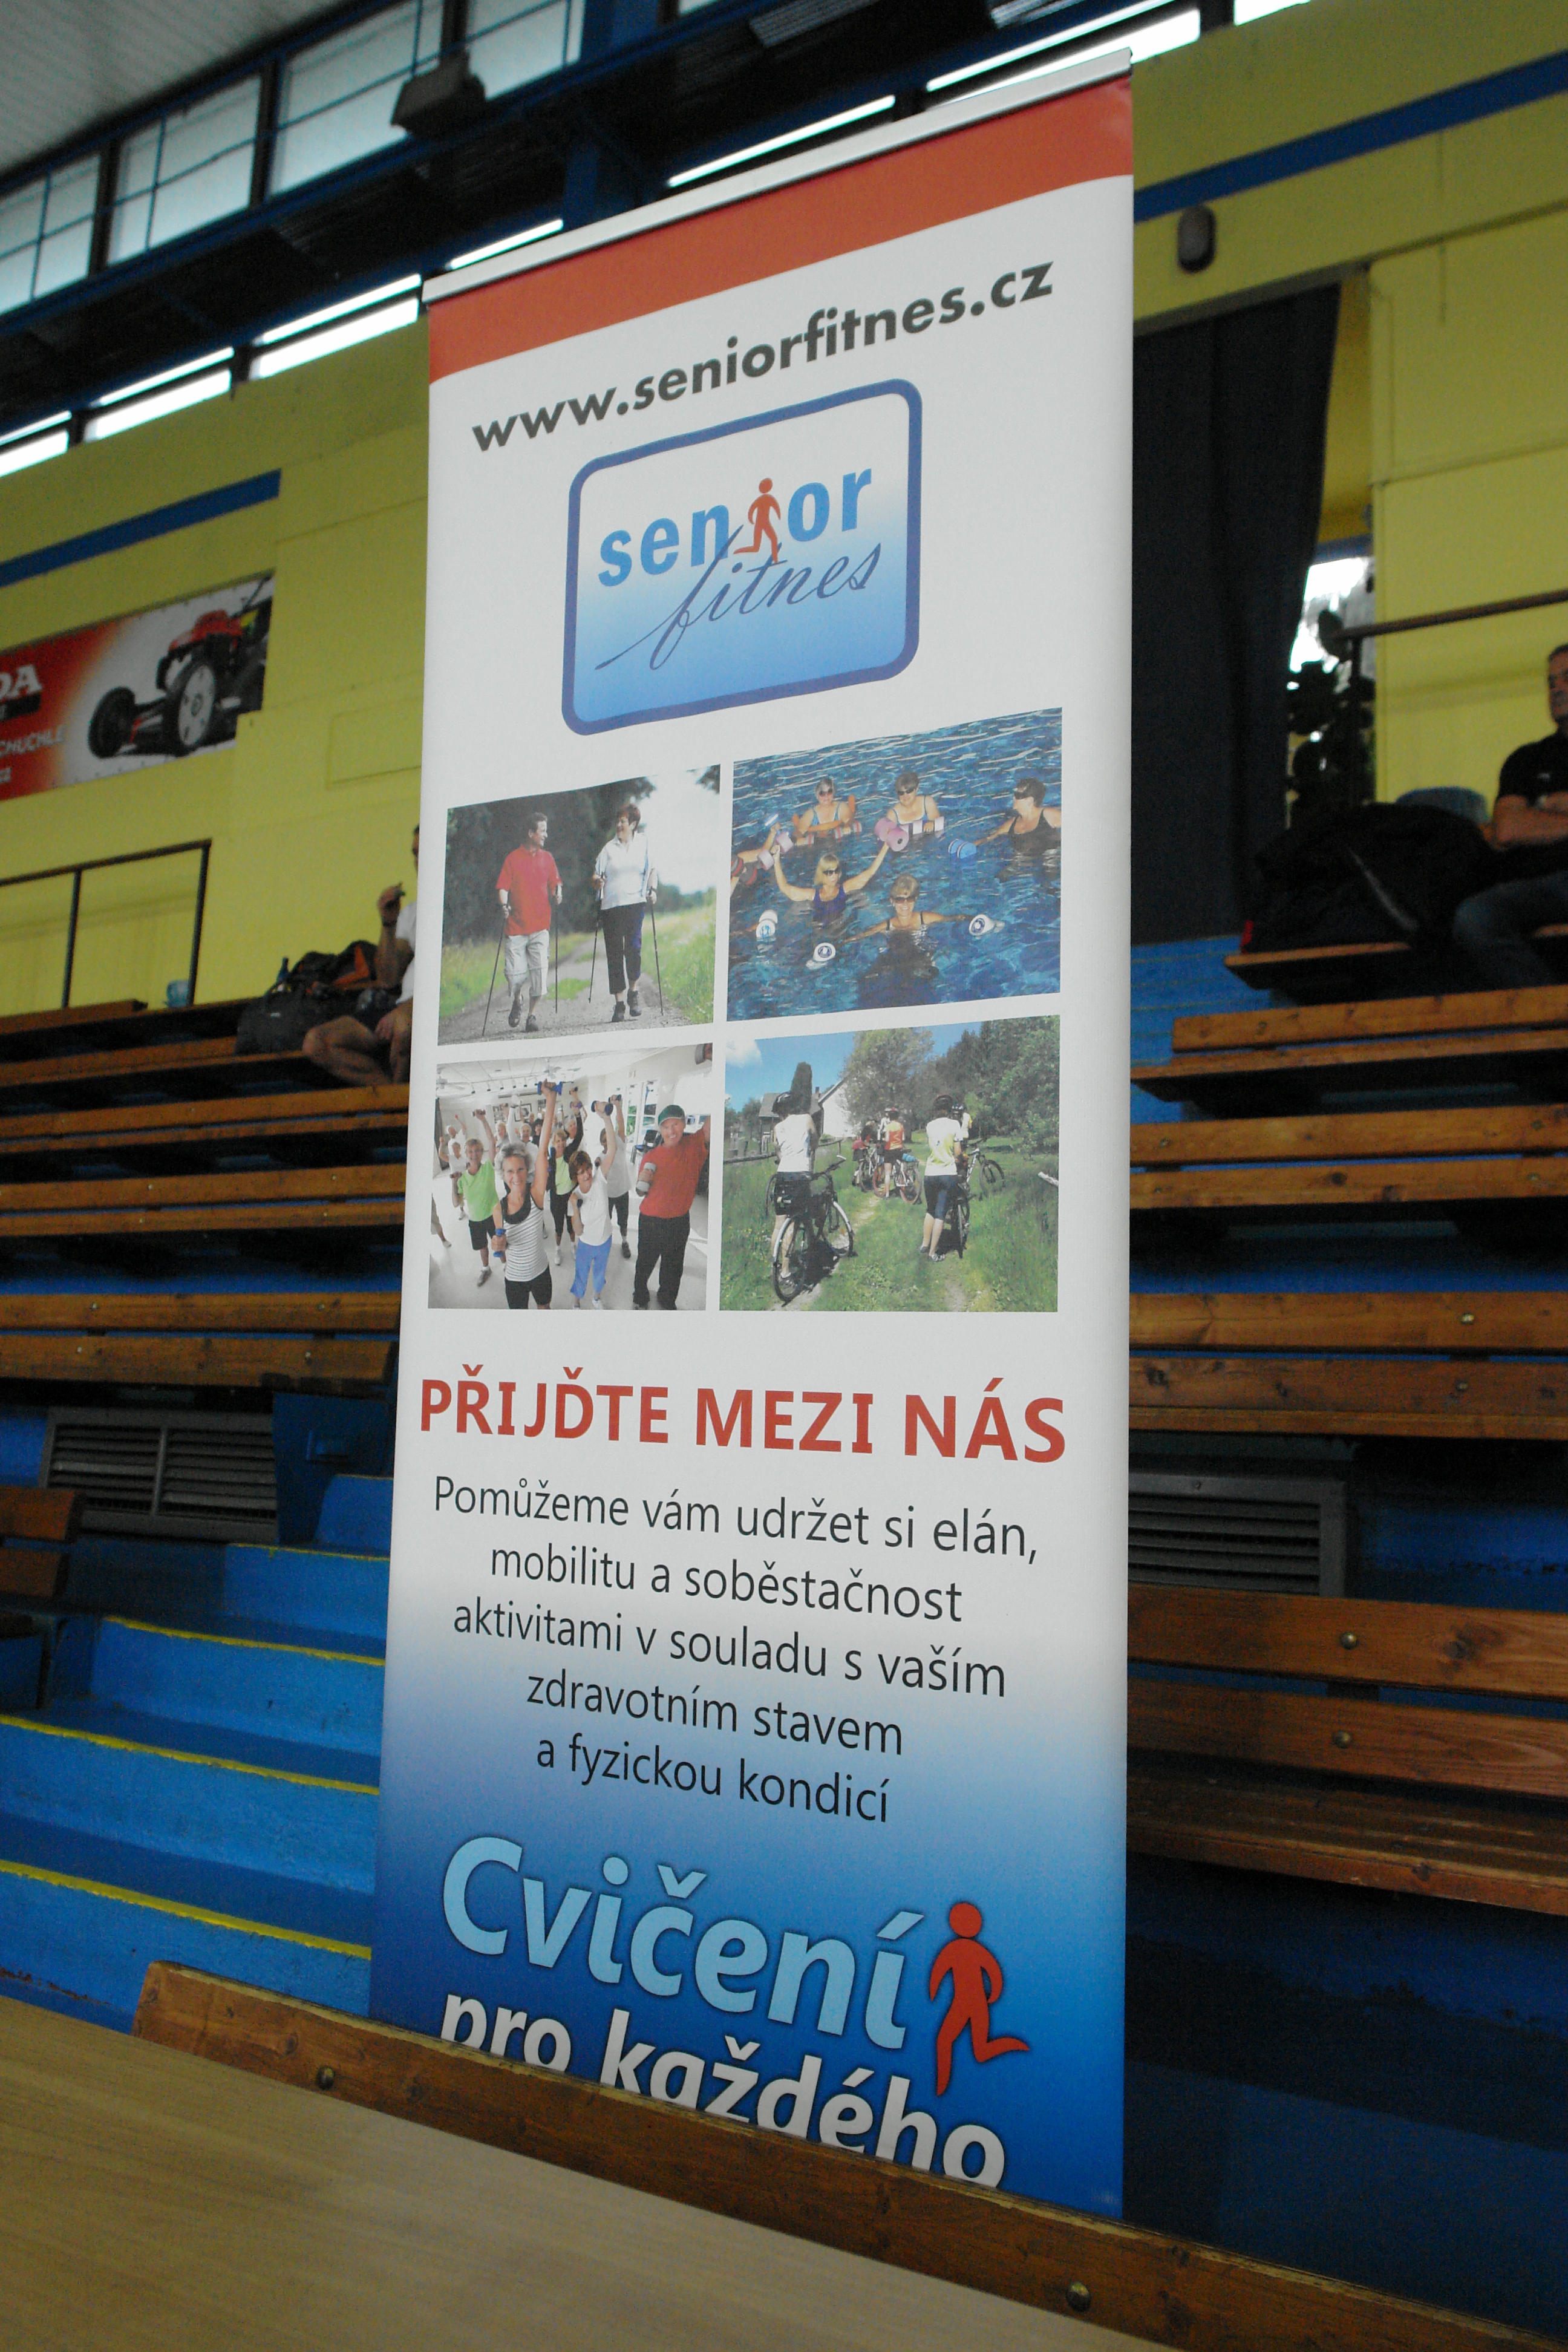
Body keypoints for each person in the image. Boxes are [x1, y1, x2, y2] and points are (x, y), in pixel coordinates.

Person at [1452, 645, 1568, 987]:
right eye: (1551, 682)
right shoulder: (1527, 759)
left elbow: (1522, 822)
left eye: (1567, 678)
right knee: (1473, 917)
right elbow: (1508, 829)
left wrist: (1540, 814)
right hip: (1534, 884)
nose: (1557, 689)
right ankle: (1550, 1011)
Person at [302, 825, 419, 1085]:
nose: (418, 861)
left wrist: (408, 1010)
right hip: (399, 1005)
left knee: (405, 1028)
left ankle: (399, 1105)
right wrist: (388, 923)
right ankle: (389, 1097)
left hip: (428, 1009)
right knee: (316, 1043)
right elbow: (388, 978)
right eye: (415, 854)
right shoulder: (412, 913)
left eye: (424, 853)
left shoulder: (464, 906)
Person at [633, 1103, 710, 1309]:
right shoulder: (651, 1157)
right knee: (645, 1263)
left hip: (679, 1221)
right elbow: (640, 1192)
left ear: (684, 1125)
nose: (671, 1131)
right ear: (661, 1130)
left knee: (674, 1267)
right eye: (666, 1127)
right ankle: (639, 1295)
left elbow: (711, 1126)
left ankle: (667, 1299)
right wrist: (642, 1181)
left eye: (675, 1124)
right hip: (650, 1220)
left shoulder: (694, 1146)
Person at [492, 1085, 556, 1309]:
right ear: (503, 1175)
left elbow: (543, 1148)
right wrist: (498, 1245)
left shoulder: (536, 1195)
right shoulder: (499, 1209)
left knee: (545, 1310)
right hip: (514, 1279)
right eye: (510, 1171)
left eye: (520, 1169)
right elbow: (500, 1250)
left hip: (541, 1272)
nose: (517, 1176)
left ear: (527, 1169)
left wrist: (551, 1099)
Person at [497, 812, 561, 1034]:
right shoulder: (513, 859)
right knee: (514, 976)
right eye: (543, 831)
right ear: (531, 833)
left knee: (540, 974)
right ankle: (518, 999)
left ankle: (532, 1016)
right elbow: (503, 887)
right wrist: (504, 905)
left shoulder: (548, 859)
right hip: (516, 927)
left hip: (541, 927)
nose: (546, 835)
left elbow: (556, 883)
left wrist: (558, 894)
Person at [592, 803, 657, 1024]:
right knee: (614, 954)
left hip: (635, 904)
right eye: (618, 821)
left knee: (634, 949)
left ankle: (633, 993)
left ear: (633, 824)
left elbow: (652, 870)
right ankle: (619, 1003)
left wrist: (653, 890)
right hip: (611, 907)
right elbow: (595, 875)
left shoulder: (644, 843)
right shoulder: (608, 849)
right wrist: (597, 882)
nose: (619, 825)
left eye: (623, 821)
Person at [567, 1116, 618, 1308]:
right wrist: (575, 1207)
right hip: (586, 1244)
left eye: (588, 1168)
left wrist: (606, 1118)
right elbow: (579, 1231)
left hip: (605, 1240)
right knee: (581, 1275)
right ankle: (576, 1304)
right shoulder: (575, 1197)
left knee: (599, 1275)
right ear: (576, 1176)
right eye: (581, 1172)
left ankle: (596, 1298)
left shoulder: (600, 1180)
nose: (587, 1174)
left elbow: (612, 1149)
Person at [773, 840, 888, 921]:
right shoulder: (813, 895)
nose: (834, 875)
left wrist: (886, 846)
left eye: (836, 871)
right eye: (829, 872)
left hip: (840, 930)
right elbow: (785, 888)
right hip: (819, 933)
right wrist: (776, 860)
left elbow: (870, 872)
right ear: (822, 874)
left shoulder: (845, 888)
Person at [771, 1070, 822, 1252]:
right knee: (794, 1222)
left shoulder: (778, 1128)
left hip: (783, 1176)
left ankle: (774, 1263)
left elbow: (779, 1154)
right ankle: (786, 1267)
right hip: (801, 1175)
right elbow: (815, 1142)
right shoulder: (807, 1119)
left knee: (779, 1224)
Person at [920, 1092, 971, 1261]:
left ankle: (925, 1244)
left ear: (936, 1109)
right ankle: (933, 1253)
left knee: (930, 1210)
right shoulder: (955, 1125)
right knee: (940, 1214)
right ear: (949, 1109)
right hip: (947, 1173)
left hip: (930, 1174)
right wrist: (960, 1158)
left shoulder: (929, 1126)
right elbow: (957, 1152)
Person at [451, 1110, 500, 1286]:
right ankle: (486, 1269)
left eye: (477, 1150)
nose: (474, 1154)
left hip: (494, 1216)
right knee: (483, 1247)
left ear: (481, 1152)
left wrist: (483, 1120)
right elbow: (456, 1203)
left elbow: (492, 1142)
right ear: (466, 1154)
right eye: (471, 1151)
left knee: (500, 1244)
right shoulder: (463, 1179)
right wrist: (454, 1182)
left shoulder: (488, 1168)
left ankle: (507, 1266)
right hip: (476, 1220)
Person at [848, 872, 953, 945]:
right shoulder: (887, 926)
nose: (905, 904)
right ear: (892, 902)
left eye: (910, 899)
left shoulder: (925, 918)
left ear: (915, 899)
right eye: (900, 900)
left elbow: (953, 919)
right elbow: (861, 936)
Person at [973, 773, 1060, 852]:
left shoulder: (1048, 815)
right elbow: (989, 839)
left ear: (1030, 800)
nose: (1013, 798)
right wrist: (971, 846)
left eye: (1018, 795)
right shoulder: (1012, 824)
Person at [548, 1102, 582, 1263]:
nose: (561, 1144)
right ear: (554, 1144)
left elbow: (579, 1136)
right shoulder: (550, 1161)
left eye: (563, 1141)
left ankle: (573, 1246)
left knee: (571, 1225)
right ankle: (558, 1249)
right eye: (558, 1142)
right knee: (558, 1228)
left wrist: (578, 1115)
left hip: (570, 1196)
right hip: (556, 1198)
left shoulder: (569, 1152)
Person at [791, 778, 858, 842]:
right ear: (817, 796)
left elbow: (849, 820)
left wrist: (847, 826)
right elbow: (800, 831)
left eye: (829, 792)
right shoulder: (811, 814)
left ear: (833, 793)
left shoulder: (841, 807)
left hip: (839, 841)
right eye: (822, 793)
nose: (826, 796)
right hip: (818, 843)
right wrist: (797, 839)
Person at [882, 769, 942, 839]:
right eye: (901, 793)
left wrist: (932, 823)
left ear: (916, 789)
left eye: (909, 791)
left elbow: (938, 822)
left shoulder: (927, 802)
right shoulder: (893, 814)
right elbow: (886, 839)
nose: (905, 796)